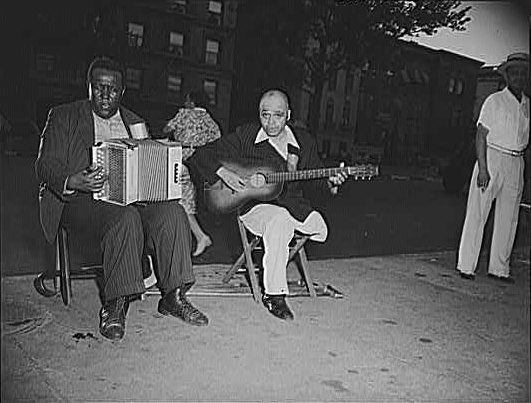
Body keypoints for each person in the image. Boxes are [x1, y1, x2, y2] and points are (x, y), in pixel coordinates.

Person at [35, 56, 208, 341]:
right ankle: (116, 304)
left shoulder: (135, 122)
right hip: (79, 201)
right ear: (89, 87)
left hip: (132, 202)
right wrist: (75, 180)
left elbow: (149, 163)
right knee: (124, 217)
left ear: (122, 92)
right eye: (99, 88)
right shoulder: (63, 115)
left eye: (112, 90)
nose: (105, 95)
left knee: (173, 213)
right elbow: (45, 165)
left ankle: (173, 297)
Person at [188, 89, 347, 320]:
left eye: (278, 116)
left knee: (320, 229)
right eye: (265, 115)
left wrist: (331, 183)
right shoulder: (247, 136)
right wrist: (225, 173)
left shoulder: (303, 141)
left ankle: (277, 250)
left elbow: (315, 184)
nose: (270, 122)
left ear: (288, 115)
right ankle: (274, 295)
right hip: (253, 206)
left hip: (293, 205)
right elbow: (201, 155)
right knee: (279, 221)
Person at [456, 52, 529, 282]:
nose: (518, 77)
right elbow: (480, 136)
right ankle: (466, 266)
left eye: (523, 73)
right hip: (492, 156)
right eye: (514, 72)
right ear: (506, 75)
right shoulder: (495, 100)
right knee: (478, 213)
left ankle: (499, 268)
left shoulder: (528, 105)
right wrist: (483, 168)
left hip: (516, 161)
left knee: (509, 218)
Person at [162, 90, 221, 256]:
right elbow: (217, 143)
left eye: (187, 99)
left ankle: (193, 238)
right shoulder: (211, 121)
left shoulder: (184, 114)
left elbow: (166, 129)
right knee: (184, 200)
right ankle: (198, 236)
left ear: (192, 101)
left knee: (178, 199)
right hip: (201, 165)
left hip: (181, 161)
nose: (185, 102)